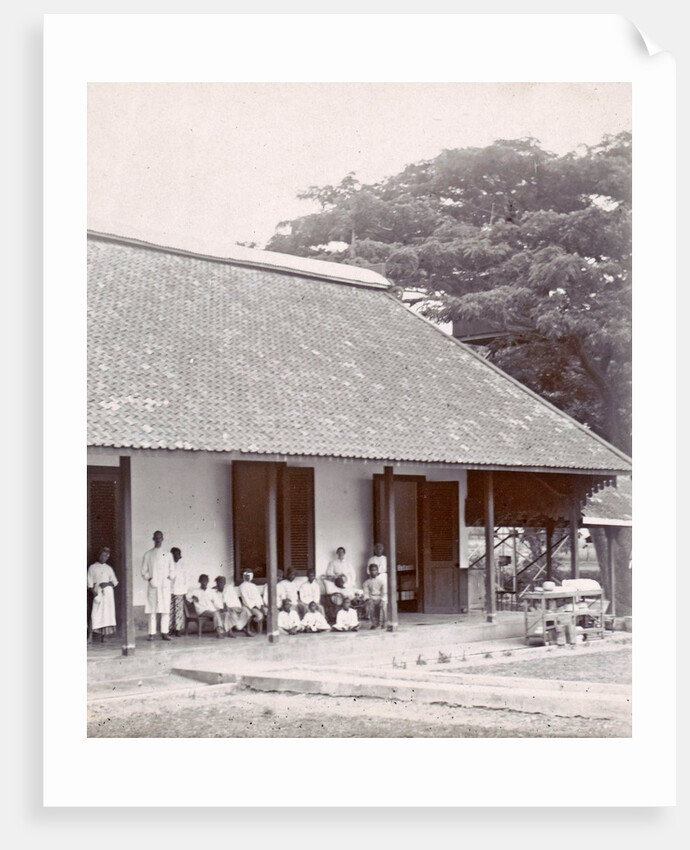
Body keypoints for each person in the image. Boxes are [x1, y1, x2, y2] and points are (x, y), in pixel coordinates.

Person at [141, 530, 175, 641]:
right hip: (153, 586)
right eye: (156, 537)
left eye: (160, 537)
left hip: (164, 586)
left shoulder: (168, 554)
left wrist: (168, 579)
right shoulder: (148, 554)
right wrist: (150, 579)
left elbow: (172, 570)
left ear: (162, 539)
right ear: (153, 539)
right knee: (152, 610)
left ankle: (165, 633)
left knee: (165, 610)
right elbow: (143, 571)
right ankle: (151, 633)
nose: (158, 539)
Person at [87, 547, 118, 642]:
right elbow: (89, 583)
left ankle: (104, 637)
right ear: (98, 555)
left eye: (106, 556)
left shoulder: (109, 568)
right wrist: (95, 594)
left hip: (108, 594)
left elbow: (115, 582)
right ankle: (90, 637)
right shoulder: (92, 567)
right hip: (98, 593)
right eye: (103, 555)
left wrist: (107, 584)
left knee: (106, 615)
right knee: (95, 614)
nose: (105, 557)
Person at [186, 574, 225, 638]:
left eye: (205, 581)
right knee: (216, 613)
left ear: (208, 582)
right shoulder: (195, 591)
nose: (204, 582)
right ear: (199, 581)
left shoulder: (210, 591)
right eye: (202, 581)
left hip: (211, 611)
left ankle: (226, 632)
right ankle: (219, 632)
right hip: (202, 611)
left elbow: (217, 601)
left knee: (224, 613)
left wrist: (221, 608)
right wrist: (192, 597)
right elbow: (187, 597)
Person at [169, 546, 189, 636]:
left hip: (180, 591)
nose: (176, 556)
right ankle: (170, 629)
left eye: (178, 554)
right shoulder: (169, 564)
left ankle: (178, 629)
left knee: (179, 611)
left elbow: (187, 578)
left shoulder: (183, 565)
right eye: (174, 554)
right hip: (169, 590)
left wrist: (185, 590)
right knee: (170, 610)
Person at [363, 562, 388, 629]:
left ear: (377, 571)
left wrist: (382, 600)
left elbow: (384, 592)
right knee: (370, 606)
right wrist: (368, 599)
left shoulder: (382, 581)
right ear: (369, 571)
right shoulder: (367, 582)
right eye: (372, 570)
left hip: (380, 597)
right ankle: (374, 623)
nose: (373, 572)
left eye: (375, 570)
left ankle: (384, 623)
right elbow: (366, 593)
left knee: (384, 606)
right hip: (372, 598)